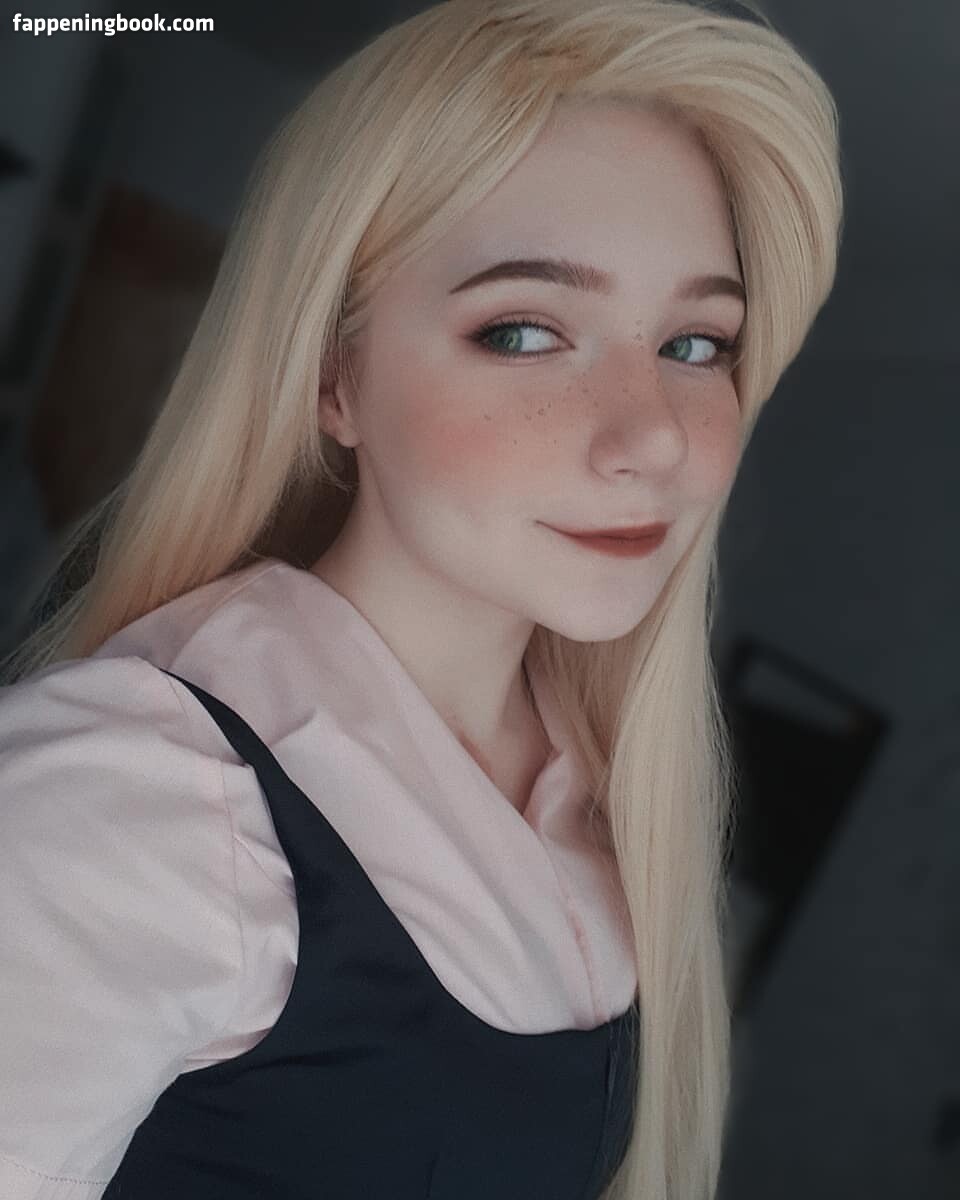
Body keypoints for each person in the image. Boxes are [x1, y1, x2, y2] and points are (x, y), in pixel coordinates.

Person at [0, 1, 844, 1197]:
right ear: (333, 375)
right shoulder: (135, 803)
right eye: (524, 332)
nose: (653, 436)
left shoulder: (608, 804)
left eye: (696, 345)